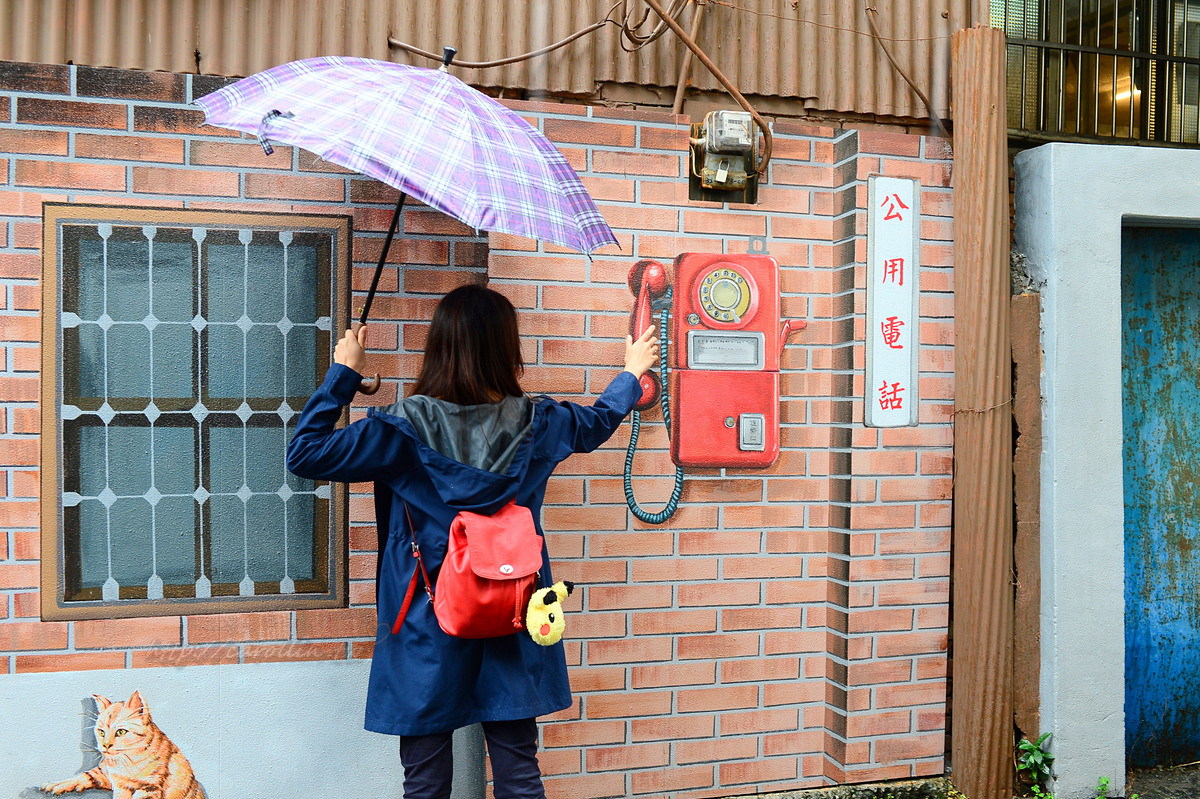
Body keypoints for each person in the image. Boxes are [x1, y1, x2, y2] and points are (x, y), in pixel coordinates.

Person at [286, 284, 658, 799]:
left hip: (423, 616)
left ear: (438, 345)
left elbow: (306, 452)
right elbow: (596, 423)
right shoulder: (541, 422)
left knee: (426, 779)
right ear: (508, 350)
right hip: (515, 608)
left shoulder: (397, 430)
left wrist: (344, 374)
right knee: (517, 768)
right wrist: (631, 372)